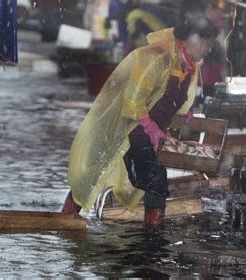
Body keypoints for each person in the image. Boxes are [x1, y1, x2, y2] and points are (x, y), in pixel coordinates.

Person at [62, 16, 218, 228]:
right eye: (207, 42)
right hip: (129, 130)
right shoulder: (157, 57)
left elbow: (177, 99)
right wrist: (150, 127)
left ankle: (151, 240)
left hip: (151, 137)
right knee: (95, 174)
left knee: (151, 181)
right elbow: (132, 100)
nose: (209, 49)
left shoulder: (189, 66)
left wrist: (184, 114)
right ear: (193, 39)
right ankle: (65, 222)